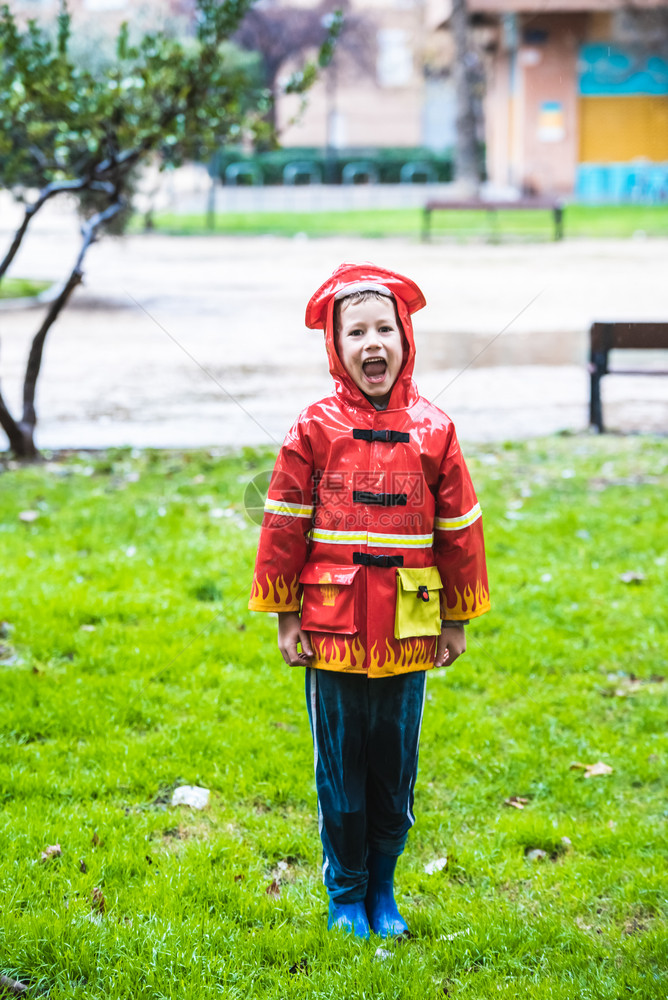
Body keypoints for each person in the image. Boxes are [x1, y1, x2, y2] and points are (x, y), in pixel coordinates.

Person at [249, 262, 490, 940]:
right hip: (332, 629)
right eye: (356, 331)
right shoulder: (313, 428)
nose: (372, 343)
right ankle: (345, 893)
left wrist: (457, 617)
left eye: (385, 327)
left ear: (406, 338)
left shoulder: (436, 429)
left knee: (395, 766)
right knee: (340, 767)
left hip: (409, 627)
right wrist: (286, 614)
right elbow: (283, 525)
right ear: (336, 346)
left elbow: (460, 531)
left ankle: (383, 888)